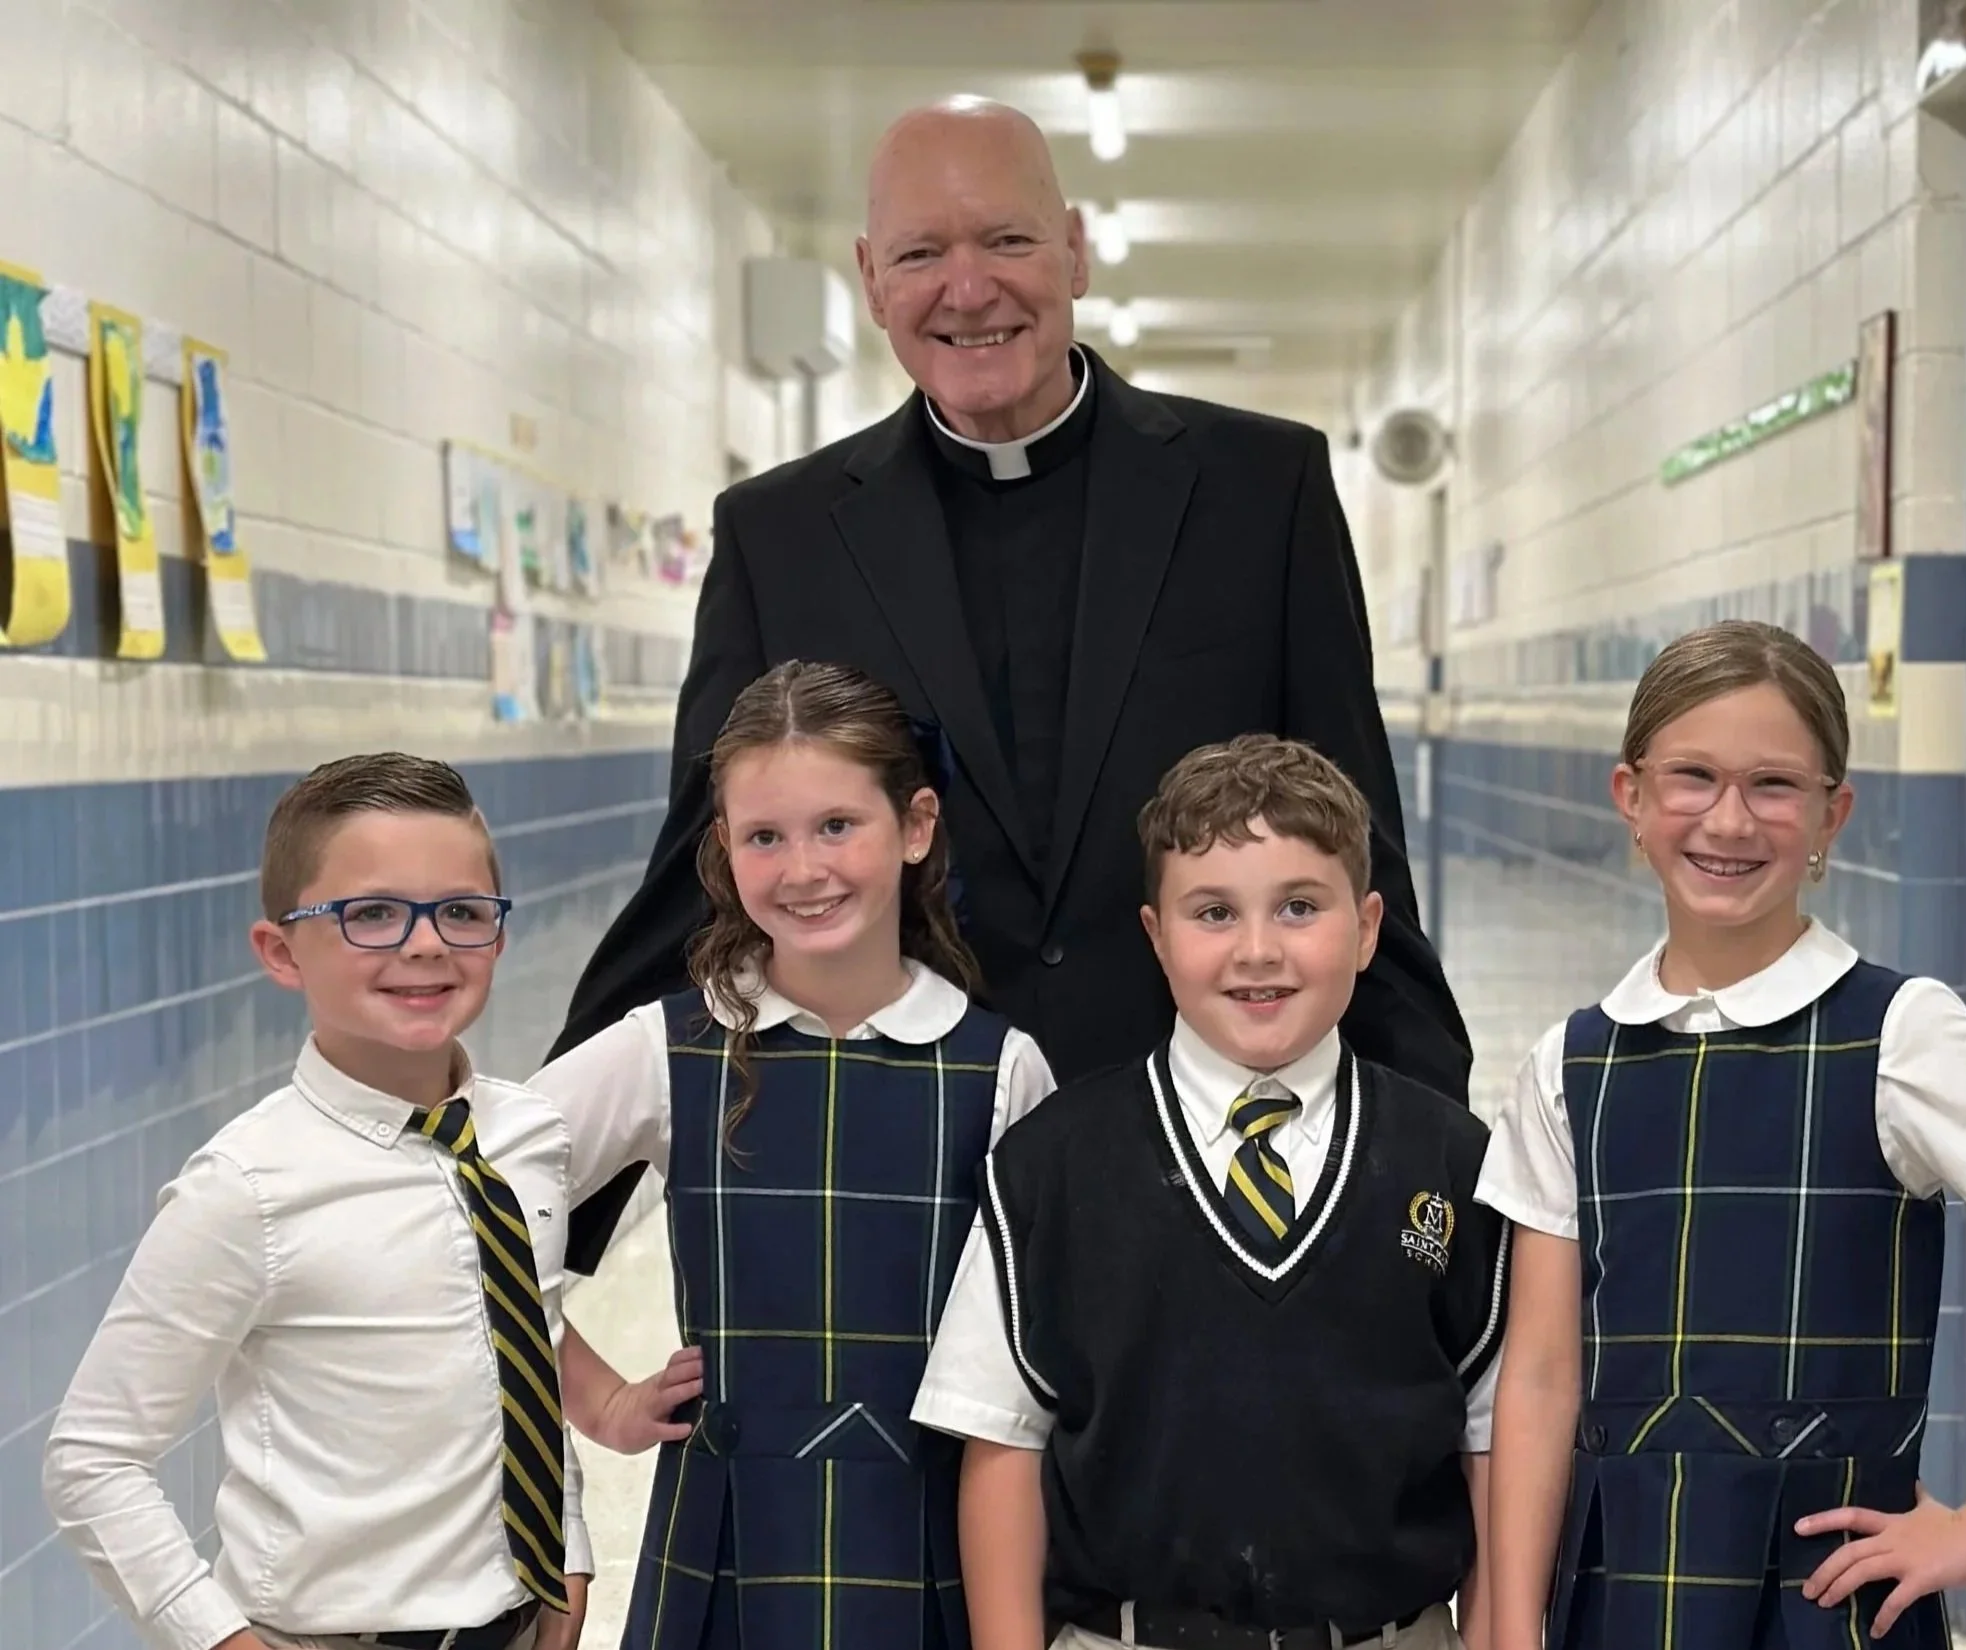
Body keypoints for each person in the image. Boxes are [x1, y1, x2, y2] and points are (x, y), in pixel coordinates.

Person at [547, 95, 1469, 1103]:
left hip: (1195, 1112)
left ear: (1074, 252)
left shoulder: (1258, 489)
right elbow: (703, 864)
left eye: (1007, 240)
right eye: (919, 255)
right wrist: (523, 1182)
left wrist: (1428, 1167)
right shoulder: (783, 534)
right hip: (910, 1120)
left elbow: (1354, 827)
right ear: (869, 280)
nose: (968, 289)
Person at [1478, 621, 1966, 1650]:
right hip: (1620, 1589)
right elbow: (1537, 1378)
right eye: (1692, 777)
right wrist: (1508, 1619)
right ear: (1630, 799)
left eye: (1773, 786)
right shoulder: (1569, 1066)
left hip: (1824, 1605)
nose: (1729, 819)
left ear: (1829, 816)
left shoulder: (1900, 1034)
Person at [914, 735, 1510, 1650]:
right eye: (1215, 913)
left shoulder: (1453, 1162)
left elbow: (1491, 1444)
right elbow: (1001, 1444)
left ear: (1367, 927)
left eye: (1300, 907)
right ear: (1157, 935)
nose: (1258, 951)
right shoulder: (1053, 1165)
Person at [529, 660, 1056, 1650]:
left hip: (934, 1542)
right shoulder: (664, 1049)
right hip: (729, 1542)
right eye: (764, 837)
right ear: (722, 852)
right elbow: (457, 1210)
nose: (803, 869)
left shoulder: (1002, 1070)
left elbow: (1050, 1344)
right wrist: (597, 1399)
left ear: (916, 826)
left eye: (836, 827)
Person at [43, 754, 590, 1650]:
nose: (425, 944)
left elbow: (526, 1362)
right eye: (371, 914)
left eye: (461, 911)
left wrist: (570, 1555)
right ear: (280, 951)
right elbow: (91, 1458)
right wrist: (222, 1638)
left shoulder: (529, 1138)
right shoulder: (248, 1189)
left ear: (498, 933)